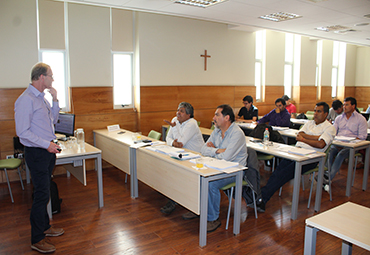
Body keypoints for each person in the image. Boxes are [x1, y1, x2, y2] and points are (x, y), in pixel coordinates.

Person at [14, 63, 64, 253]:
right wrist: (47, 145)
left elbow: (53, 120)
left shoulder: (42, 98)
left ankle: (45, 227)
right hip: (37, 153)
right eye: (51, 76)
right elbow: (22, 133)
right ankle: (37, 238)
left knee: (43, 192)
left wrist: (56, 99)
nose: (52, 79)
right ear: (41, 77)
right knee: (41, 195)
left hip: (47, 151)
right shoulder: (26, 99)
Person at [256, 102, 336, 212]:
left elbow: (321, 144)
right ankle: (261, 196)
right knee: (278, 170)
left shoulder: (330, 128)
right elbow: (299, 135)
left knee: (284, 173)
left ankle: (262, 197)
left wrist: (304, 139)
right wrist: (315, 138)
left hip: (311, 157)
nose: (315, 114)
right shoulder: (310, 123)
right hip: (296, 152)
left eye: (319, 111)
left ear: (326, 114)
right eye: (315, 111)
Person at [182, 104, 248, 232]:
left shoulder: (237, 134)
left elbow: (227, 157)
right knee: (196, 177)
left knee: (210, 183)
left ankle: (213, 219)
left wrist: (213, 150)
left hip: (234, 171)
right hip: (217, 166)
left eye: (217, 115)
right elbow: (203, 149)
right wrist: (218, 151)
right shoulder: (216, 131)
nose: (214, 118)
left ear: (227, 118)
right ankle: (198, 209)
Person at [160, 102, 204, 214]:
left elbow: (181, 142)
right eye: (178, 110)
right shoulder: (175, 119)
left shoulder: (192, 124)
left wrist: (174, 129)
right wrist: (173, 143)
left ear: (188, 115)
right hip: (182, 154)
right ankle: (174, 199)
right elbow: (168, 138)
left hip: (196, 157)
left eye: (182, 111)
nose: (178, 113)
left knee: (177, 174)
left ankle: (179, 202)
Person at [326, 97, 368, 183]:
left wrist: (348, 143)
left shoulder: (361, 119)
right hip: (338, 143)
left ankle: (327, 178)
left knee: (341, 155)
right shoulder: (339, 118)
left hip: (352, 146)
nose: (344, 107)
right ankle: (325, 173)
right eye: (344, 105)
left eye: (347, 105)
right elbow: (333, 132)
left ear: (353, 106)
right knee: (329, 151)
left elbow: (362, 137)